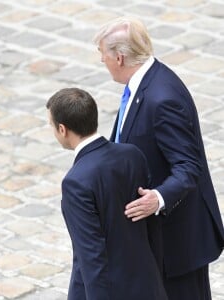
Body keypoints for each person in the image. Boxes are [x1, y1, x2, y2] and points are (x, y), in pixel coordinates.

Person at [93, 16, 224, 300]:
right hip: (157, 242)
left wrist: (158, 198)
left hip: (178, 244)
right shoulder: (140, 85)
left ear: (118, 57)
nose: (101, 61)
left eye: (102, 55)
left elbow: (189, 167)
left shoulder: (163, 98)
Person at [46, 87, 168, 300]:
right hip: (147, 283)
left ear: (62, 129)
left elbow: (92, 256)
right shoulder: (132, 155)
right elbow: (151, 228)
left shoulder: (76, 182)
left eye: (51, 125)